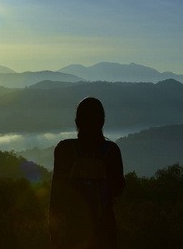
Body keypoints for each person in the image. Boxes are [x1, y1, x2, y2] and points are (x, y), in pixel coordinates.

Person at [49, 97, 125, 249]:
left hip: (72, 232)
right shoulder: (111, 151)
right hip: (104, 230)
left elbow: (56, 195)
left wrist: (54, 232)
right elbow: (118, 190)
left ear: (77, 122)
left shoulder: (65, 150)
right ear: (102, 122)